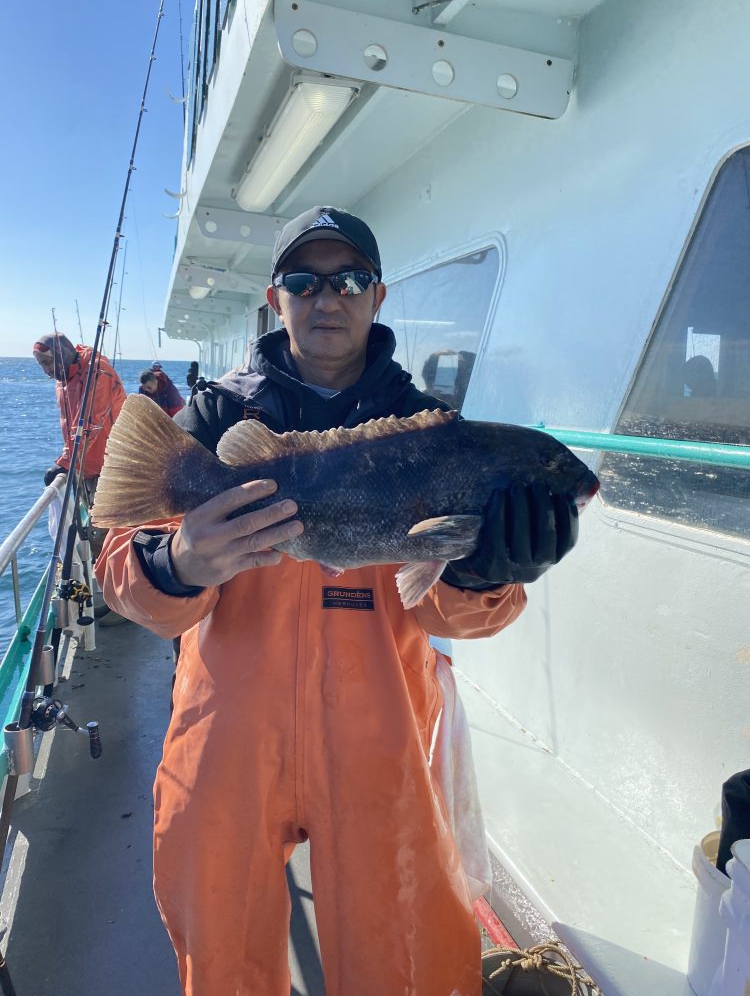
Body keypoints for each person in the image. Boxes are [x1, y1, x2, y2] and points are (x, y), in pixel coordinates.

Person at [95, 206, 579, 996]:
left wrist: (488, 572)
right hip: (226, 735)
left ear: (378, 296)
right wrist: (181, 562)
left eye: (350, 279)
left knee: (404, 957)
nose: (329, 298)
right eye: (304, 280)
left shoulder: (433, 432)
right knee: (219, 951)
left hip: (380, 736)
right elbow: (125, 569)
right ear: (274, 295)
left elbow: (442, 614)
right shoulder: (214, 419)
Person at [34, 332, 126, 506]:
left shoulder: (98, 371)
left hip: (111, 470)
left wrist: (66, 462)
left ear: (62, 354)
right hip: (83, 469)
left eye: (47, 362)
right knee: (90, 526)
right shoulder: (63, 380)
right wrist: (69, 459)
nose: (46, 370)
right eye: (41, 365)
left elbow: (89, 423)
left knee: (108, 529)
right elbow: (70, 425)